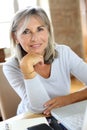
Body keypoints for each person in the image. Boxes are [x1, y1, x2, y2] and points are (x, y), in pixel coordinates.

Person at [3, 6, 87, 129]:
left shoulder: (64, 52)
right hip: (31, 120)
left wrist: (68, 99)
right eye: (26, 31)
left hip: (63, 113)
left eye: (40, 29)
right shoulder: (11, 66)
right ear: (15, 37)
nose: (35, 38)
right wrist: (27, 69)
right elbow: (40, 108)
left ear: (48, 31)